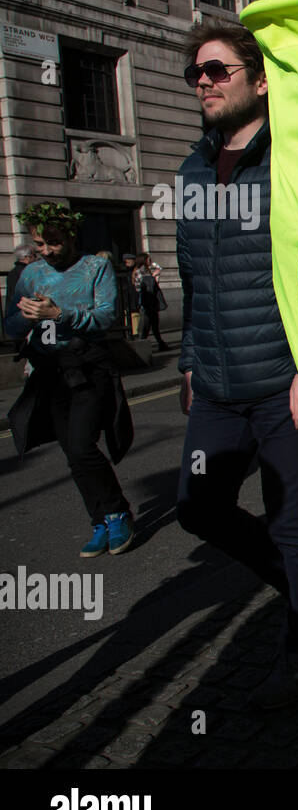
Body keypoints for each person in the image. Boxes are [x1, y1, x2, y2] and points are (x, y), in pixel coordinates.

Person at [174, 18, 298, 710]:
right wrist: (186, 358)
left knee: (294, 518)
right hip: (213, 382)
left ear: (260, 81)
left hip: (280, 382)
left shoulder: (294, 158)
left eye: (218, 71)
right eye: (197, 75)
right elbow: (191, 272)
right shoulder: (191, 166)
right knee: (198, 507)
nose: (204, 83)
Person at [3, 203, 136, 556]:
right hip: (50, 372)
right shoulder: (29, 276)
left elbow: (106, 316)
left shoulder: (96, 267)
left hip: (89, 369)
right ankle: (100, 520)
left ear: (72, 236)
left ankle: (118, 512)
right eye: (41, 244)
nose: (46, 251)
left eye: (54, 243)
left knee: (80, 445)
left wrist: (59, 313)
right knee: (72, 453)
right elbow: (10, 327)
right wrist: (28, 319)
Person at [133, 251, 170, 350]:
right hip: (146, 302)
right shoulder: (139, 272)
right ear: (144, 260)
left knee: (154, 324)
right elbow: (139, 287)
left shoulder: (147, 271)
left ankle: (160, 344)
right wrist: (153, 277)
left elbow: (158, 272)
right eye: (149, 259)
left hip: (152, 301)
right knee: (146, 325)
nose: (151, 261)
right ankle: (141, 346)